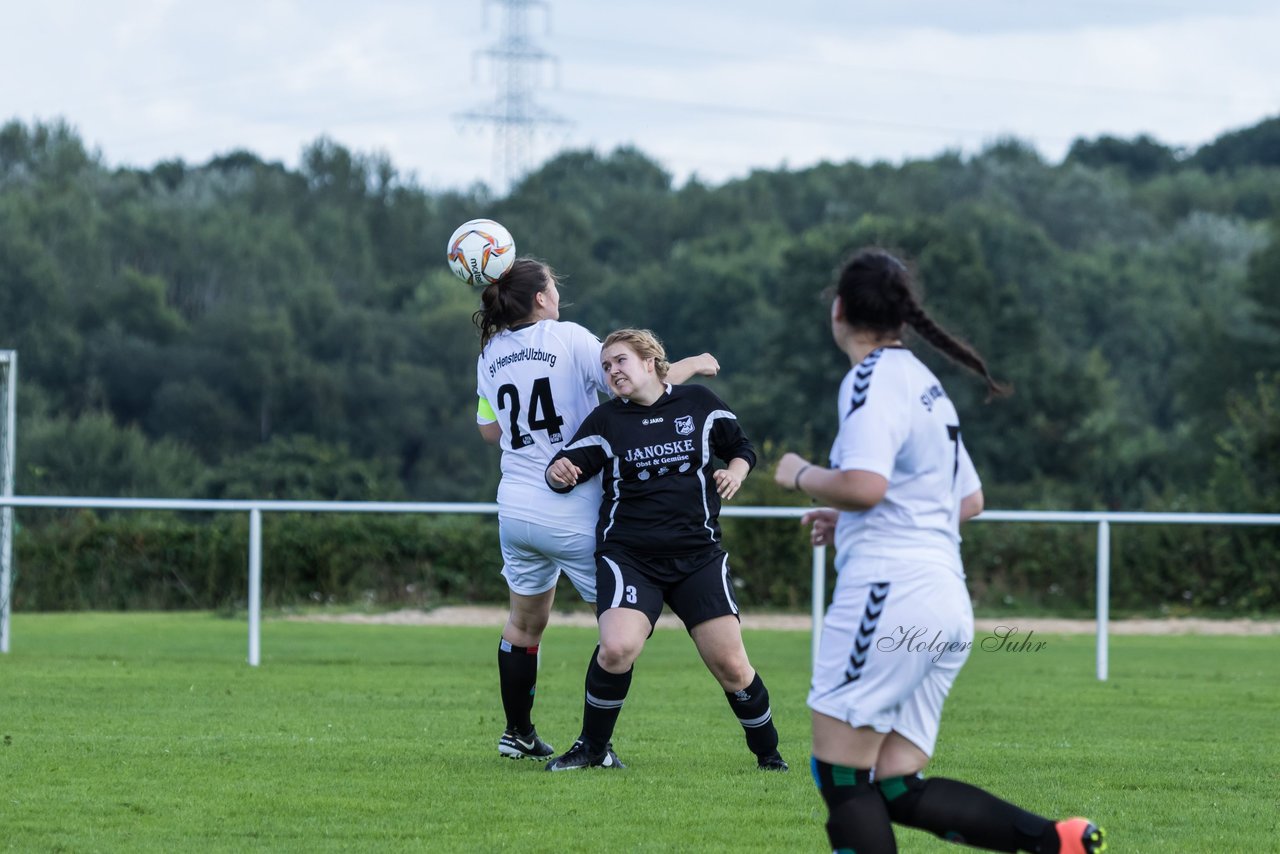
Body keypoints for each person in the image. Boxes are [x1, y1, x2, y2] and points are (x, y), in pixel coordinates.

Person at [772, 249, 1105, 854]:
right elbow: (968, 499)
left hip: (887, 597)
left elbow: (866, 487)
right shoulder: (927, 386)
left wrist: (799, 473)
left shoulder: (869, 379)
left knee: (842, 778)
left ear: (839, 309)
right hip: (944, 600)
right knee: (895, 785)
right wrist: (848, 524)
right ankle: (1056, 842)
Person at [474, 258, 718, 762]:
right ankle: (595, 746)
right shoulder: (568, 337)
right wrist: (692, 364)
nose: (557, 293)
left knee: (523, 625)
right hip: (572, 505)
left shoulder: (491, 352)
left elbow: (490, 431)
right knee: (618, 634)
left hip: (515, 507)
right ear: (542, 298)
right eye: (553, 286)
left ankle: (517, 734)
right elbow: (633, 389)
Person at [541, 328, 787, 772]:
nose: (612, 371)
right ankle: (592, 749)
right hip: (630, 558)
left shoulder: (699, 404)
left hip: (698, 557)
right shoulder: (606, 421)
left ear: (650, 362)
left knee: (732, 665)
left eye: (620, 361)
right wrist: (558, 472)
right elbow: (567, 469)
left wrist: (735, 472)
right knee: (615, 648)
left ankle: (769, 755)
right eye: (606, 366)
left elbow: (741, 449)